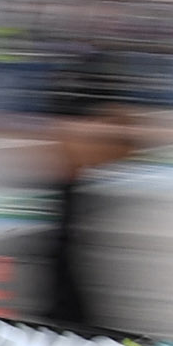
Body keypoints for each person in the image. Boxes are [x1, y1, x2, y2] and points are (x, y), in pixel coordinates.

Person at [25, 51, 148, 331]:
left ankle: (70, 320)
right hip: (69, 191)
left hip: (74, 191)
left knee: (65, 258)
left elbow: (125, 144)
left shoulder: (91, 101)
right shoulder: (80, 97)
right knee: (61, 258)